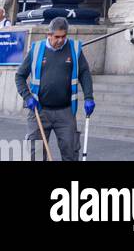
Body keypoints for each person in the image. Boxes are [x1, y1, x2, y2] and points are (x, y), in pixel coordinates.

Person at [15, 16, 95, 161]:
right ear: (49, 35)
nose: (60, 40)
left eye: (63, 36)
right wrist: (27, 97)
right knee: (36, 155)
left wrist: (89, 97)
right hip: (39, 110)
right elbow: (19, 76)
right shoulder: (37, 49)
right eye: (57, 37)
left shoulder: (74, 49)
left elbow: (84, 73)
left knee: (70, 152)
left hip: (65, 112)